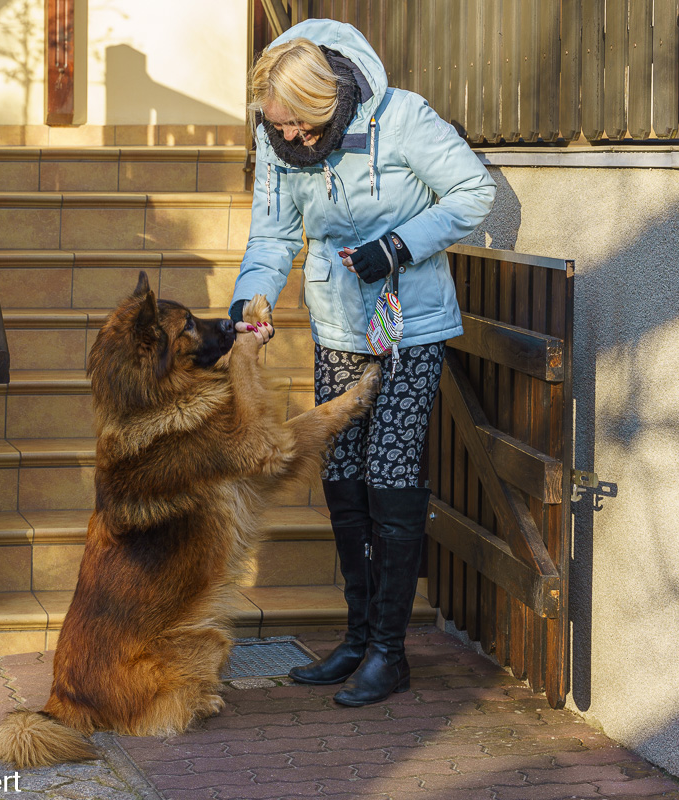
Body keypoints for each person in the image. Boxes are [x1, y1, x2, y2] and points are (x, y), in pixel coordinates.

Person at [229, 18, 496, 707]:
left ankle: (389, 651)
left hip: (410, 325)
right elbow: (273, 232)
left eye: (293, 125)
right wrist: (251, 296)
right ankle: (355, 638)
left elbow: (473, 193)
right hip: (339, 325)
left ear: (324, 105)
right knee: (343, 475)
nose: (283, 138)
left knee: (390, 472)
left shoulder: (401, 117)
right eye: (274, 126)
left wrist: (399, 246)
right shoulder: (277, 136)